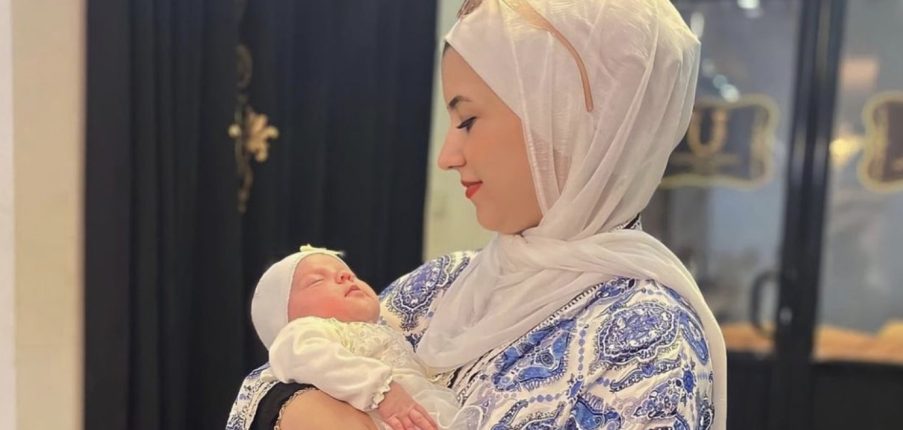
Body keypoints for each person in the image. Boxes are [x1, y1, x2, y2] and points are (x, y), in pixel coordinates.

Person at [227, 0, 727, 429]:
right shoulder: (445, 284)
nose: (447, 156)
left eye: (467, 120)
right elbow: (274, 374)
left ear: (568, 118)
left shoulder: (648, 339)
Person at [249, 245, 481, 430]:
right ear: (286, 319)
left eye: (350, 274)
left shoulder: (388, 332)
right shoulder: (306, 332)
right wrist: (380, 390)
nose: (345, 276)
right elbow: (303, 356)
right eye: (317, 280)